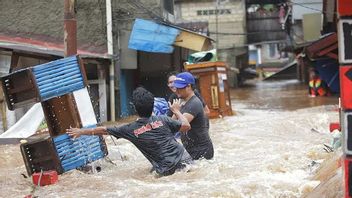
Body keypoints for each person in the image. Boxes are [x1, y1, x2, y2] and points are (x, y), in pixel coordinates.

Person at [66, 87, 192, 176]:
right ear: (152, 105)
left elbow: (104, 130)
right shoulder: (164, 119)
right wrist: (176, 111)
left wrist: (81, 132)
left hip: (167, 170)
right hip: (186, 160)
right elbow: (186, 125)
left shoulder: (129, 129)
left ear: (134, 108)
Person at [171, 72, 214, 160]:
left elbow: (180, 126)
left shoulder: (194, 103)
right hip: (192, 150)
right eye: (176, 87)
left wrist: (176, 111)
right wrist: (176, 112)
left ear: (189, 86)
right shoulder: (182, 101)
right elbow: (171, 123)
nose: (177, 90)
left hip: (202, 151)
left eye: (180, 87)